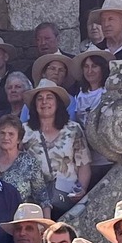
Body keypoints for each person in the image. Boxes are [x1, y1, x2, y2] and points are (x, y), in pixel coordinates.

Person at [21, 81, 90, 210]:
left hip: (67, 197)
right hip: (34, 199)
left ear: (57, 103)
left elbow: (84, 163)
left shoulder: (73, 129)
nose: (44, 102)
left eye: (49, 98)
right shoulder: (24, 130)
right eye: (39, 99)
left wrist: (82, 189)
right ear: (34, 105)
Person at [69, 50, 110, 128]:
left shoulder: (108, 93)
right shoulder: (77, 92)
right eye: (86, 66)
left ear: (102, 68)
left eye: (94, 66)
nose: (89, 71)